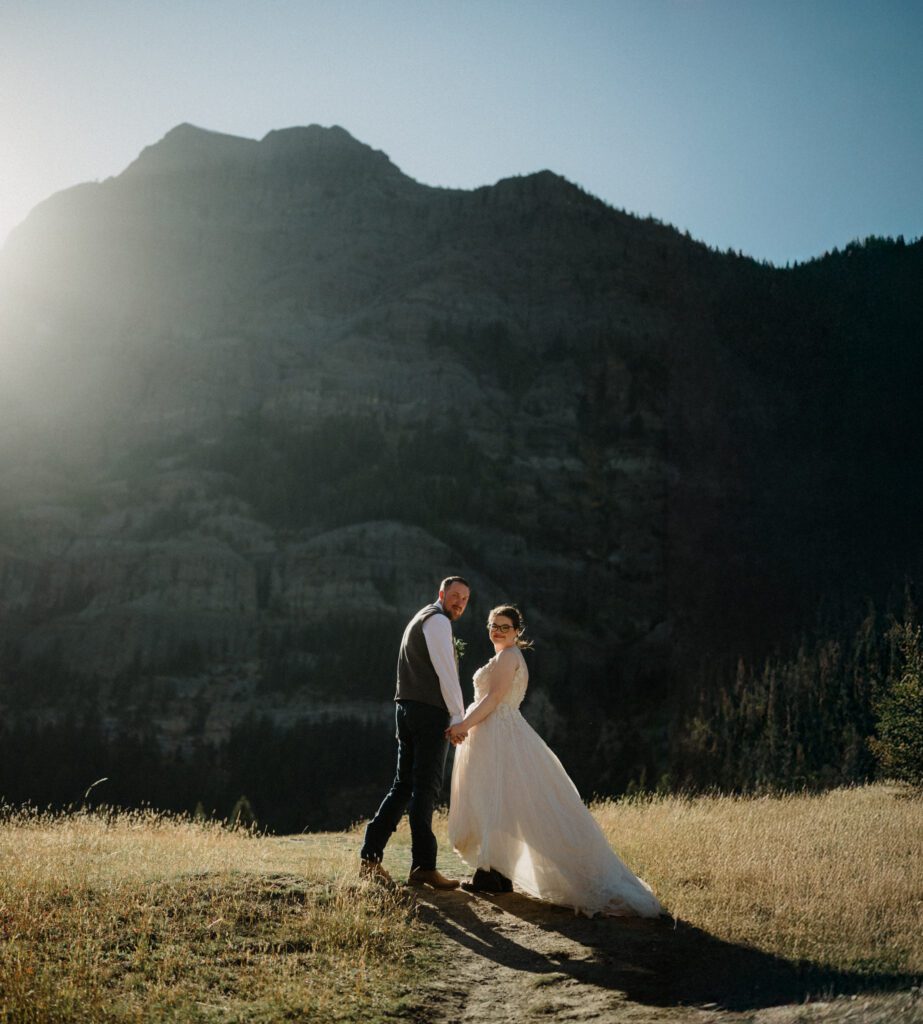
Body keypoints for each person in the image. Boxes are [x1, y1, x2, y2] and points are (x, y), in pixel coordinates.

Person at [447, 604, 662, 917]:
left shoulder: (509, 657)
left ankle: (493, 872)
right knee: (500, 802)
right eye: (493, 625)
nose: (497, 631)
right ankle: (493, 872)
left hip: (499, 736)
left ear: (517, 631)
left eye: (505, 626)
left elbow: (493, 700)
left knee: (498, 800)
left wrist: (464, 725)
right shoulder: (504, 656)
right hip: (496, 735)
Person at [360, 576, 471, 889]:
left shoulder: (421, 618)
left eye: (464, 599)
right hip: (429, 714)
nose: (459, 602)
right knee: (426, 788)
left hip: (406, 709)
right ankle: (424, 866)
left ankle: (370, 856)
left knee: (404, 785)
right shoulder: (437, 623)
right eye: (455, 595)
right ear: (441, 593)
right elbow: (446, 673)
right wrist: (457, 717)